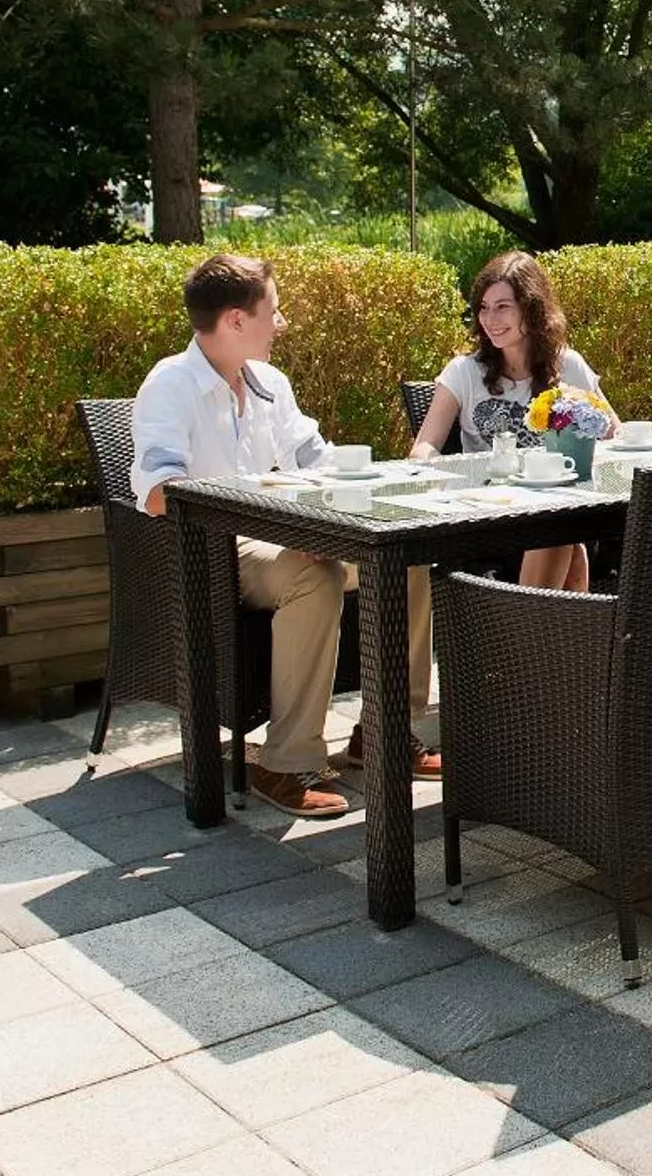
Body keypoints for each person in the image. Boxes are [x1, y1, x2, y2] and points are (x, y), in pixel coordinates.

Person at [131, 254, 441, 819]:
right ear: (234, 321)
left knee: (406, 559)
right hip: (213, 547)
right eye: (273, 311)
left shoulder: (270, 383)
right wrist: (272, 519)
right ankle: (285, 761)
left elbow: (315, 462)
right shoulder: (169, 385)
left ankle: (385, 733)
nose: (282, 323)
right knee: (313, 577)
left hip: (285, 533)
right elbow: (157, 492)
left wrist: (331, 510)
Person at [411, 249, 613, 590]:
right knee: (563, 537)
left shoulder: (569, 366)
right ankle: (551, 641)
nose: (490, 319)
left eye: (503, 307)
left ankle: (527, 639)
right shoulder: (463, 372)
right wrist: (429, 474)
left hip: (563, 512)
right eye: (484, 308)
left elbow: (613, 436)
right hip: (491, 522)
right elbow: (425, 446)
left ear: (531, 310)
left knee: (560, 530)